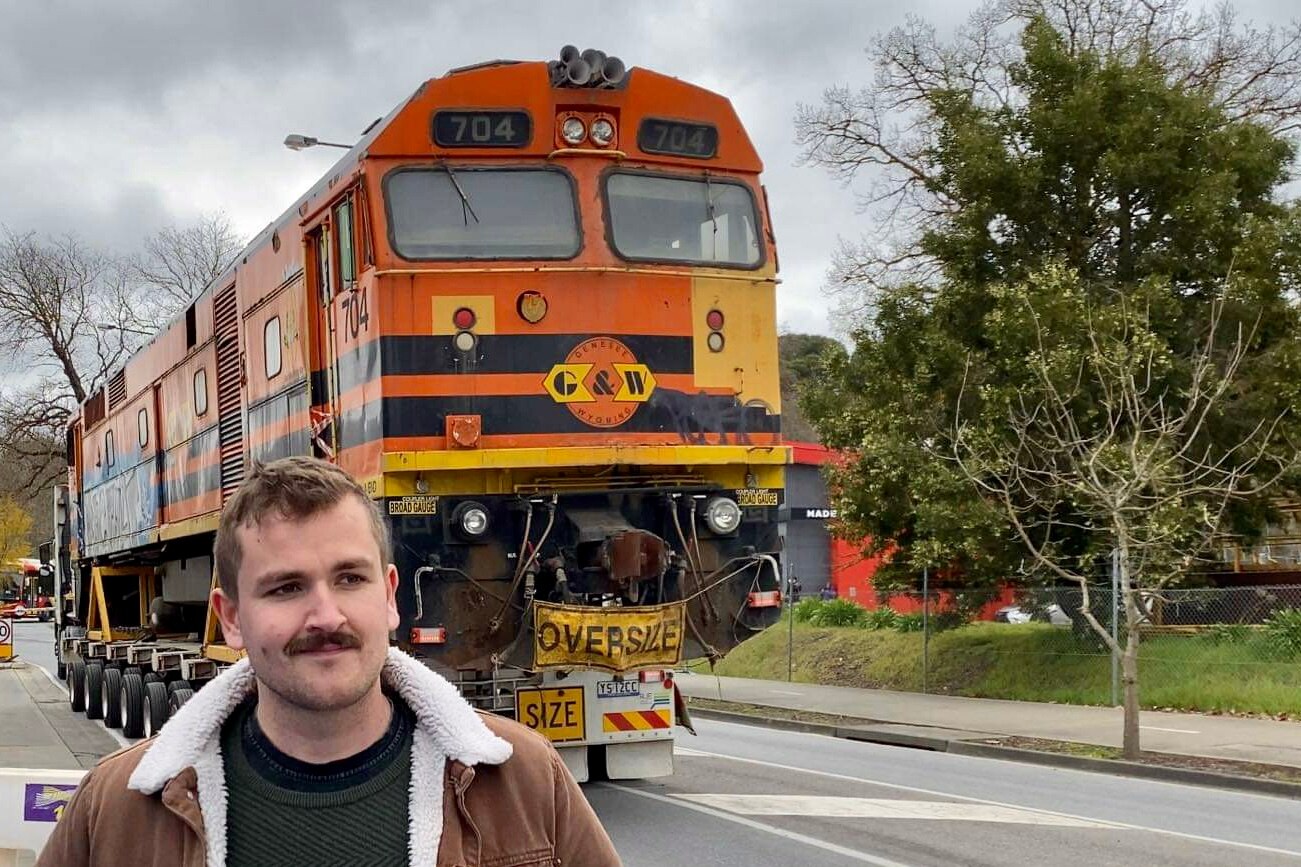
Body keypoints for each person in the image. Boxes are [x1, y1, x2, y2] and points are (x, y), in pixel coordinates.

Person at [38, 456, 622, 867]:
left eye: (349, 578)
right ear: (231, 616)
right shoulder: (116, 813)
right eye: (286, 588)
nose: (326, 615)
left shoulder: (527, 783)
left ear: (390, 595)